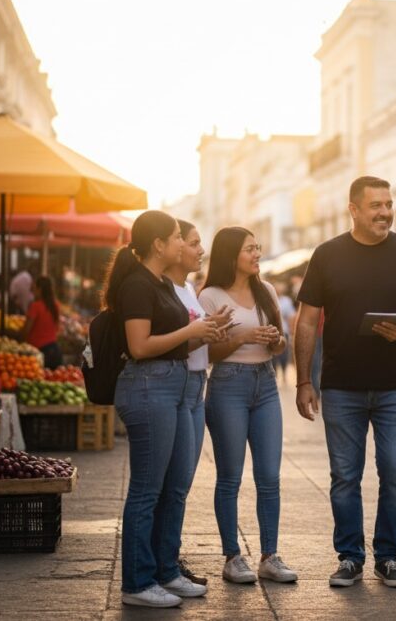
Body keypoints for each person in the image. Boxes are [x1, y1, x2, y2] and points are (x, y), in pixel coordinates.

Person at [294, 176, 396, 589]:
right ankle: (349, 557)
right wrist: (304, 381)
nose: (385, 212)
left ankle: (389, 556)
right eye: (375, 205)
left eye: (389, 204)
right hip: (342, 385)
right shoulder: (327, 254)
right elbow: (306, 321)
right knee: (345, 475)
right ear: (354, 209)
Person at [105, 210, 225, 608]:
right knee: (147, 490)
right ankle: (137, 583)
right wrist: (191, 331)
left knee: (175, 487)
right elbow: (139, 347)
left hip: (171, 386)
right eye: (176, 237)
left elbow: (172, 341)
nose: (181, 242)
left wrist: (205, 332)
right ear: (157, 244)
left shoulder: (158, 283)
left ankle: (166, 570)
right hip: (148, 387)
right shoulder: (138, 285)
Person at [198, 227, 298, 586]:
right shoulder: (209, 296)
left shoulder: (266, 290)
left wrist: (274, 340)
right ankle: (232, 556)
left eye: (258, 248)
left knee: (269, 476)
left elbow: (281, 344)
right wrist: (242, 336)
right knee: (230, 477)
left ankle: (270, 555)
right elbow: (207, 353)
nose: (257, 254)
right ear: (230, 255)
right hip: (228, 386)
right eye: (250, 249)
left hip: (266, 384)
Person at [165, 219, 219, 587]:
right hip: (178, 387)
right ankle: (164, 564)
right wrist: (200, 334)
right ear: (173, 246)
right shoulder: (164, 289)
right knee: (172, 482)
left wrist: (216, 331)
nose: (201, 250)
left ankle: (167, 558)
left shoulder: (186, 288)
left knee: (181, 482)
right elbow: (171, 342)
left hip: (197, 386)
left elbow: (195, 338)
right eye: (194, 242)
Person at [21, 277, 62, 369]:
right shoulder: (56, 305)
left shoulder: (35, 306)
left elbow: (26, 330)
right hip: (55, 350)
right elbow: (57, 328)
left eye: (34, 288)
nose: (32, 291)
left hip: (39, 353)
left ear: (40, 289)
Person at [274, 282, 296, 382]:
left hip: (284, 331)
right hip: (272, 331)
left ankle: (284, 374)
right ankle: (275, 375)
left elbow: (291, 316)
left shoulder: (286, 301)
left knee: (284, 355)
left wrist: (292, 331)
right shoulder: (269, 299)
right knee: (273, 356)